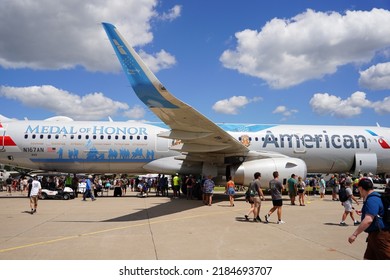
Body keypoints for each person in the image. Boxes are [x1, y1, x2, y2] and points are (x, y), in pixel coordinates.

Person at [348, 178, 390, 259]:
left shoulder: (372, 199)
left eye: (358, 189)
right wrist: (363, 212)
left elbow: (368, 220)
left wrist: (354, 234)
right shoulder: (376, 196)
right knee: (368, 258)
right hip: (373, 236)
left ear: (361, 188)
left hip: (380, 236)